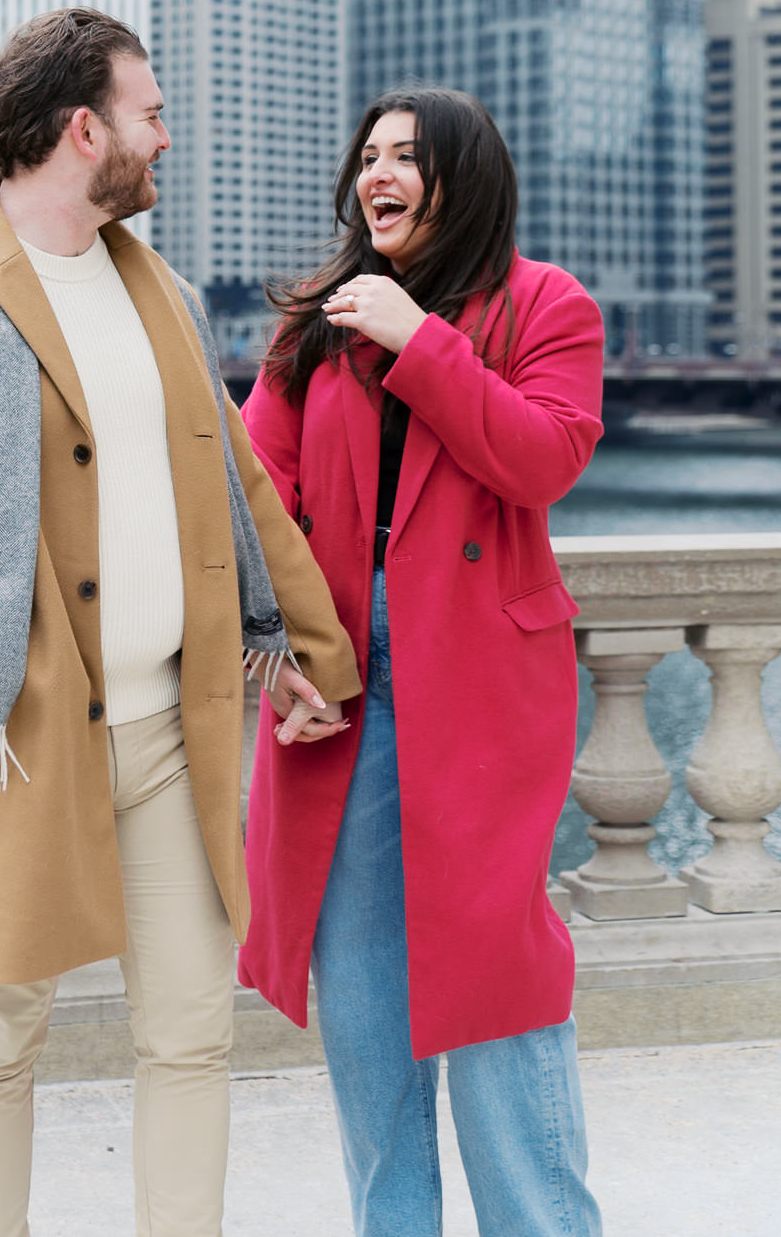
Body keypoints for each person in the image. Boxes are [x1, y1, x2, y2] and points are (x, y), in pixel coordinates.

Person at [0, 7, 360, 1237]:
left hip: (173, 734)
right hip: (20, 739)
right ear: (82, 127)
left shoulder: (160, 293)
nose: (167, 136)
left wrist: (307, 651)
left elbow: (235, 485)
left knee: (191, 1032)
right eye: (150, 115)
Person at [238, 85, 606, 1237]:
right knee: (360, 993)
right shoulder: (314, 324)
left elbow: (541, 458)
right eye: (367, 155)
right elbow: (258, 505)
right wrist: (277, 659)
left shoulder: (548, 304)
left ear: (463, 174)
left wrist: (416, 336)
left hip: (483, 689)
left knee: (497, 980)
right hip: (343, 689)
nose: (375, 173)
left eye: (404, 154)